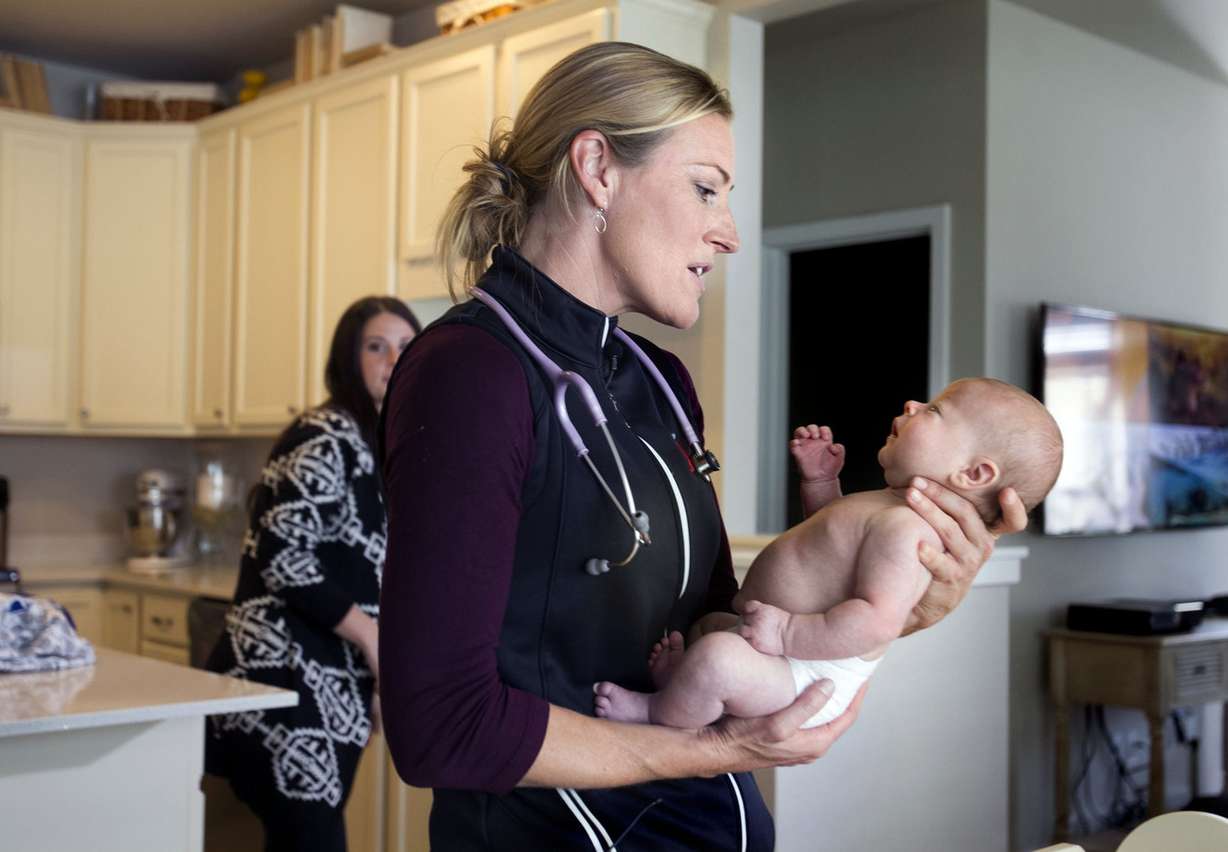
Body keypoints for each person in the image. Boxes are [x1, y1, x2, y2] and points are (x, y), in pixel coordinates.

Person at [377, 42, 1028, 852]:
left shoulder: (661, 382)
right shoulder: (469, 372)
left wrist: (911, 593)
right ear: (598, 169)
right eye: (705, 189)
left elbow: (725, 620)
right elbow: (441, 726)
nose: (729, 234)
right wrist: (709, 749)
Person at [594, 378, 1063, 729]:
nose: (913, 404)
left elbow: (877, 620)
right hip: (782, 644)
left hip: (808, 667)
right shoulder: (888, 505)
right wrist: (820, 484)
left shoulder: (909, 531)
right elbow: (830, 543)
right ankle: (685, 687)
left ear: (974, 474)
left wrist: (790, 632)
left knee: (718, 657)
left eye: (937, 410)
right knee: (709, 632)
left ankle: (658, 712)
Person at [204, 296, 420, 852]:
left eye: (405, 346)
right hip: (282, 682)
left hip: (328, 685)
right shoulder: (324, 435)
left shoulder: (380, 444)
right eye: (376, 347)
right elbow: (284, 556)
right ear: (349, 359)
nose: (393, 359)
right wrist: (374, 643)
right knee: (312, 841)